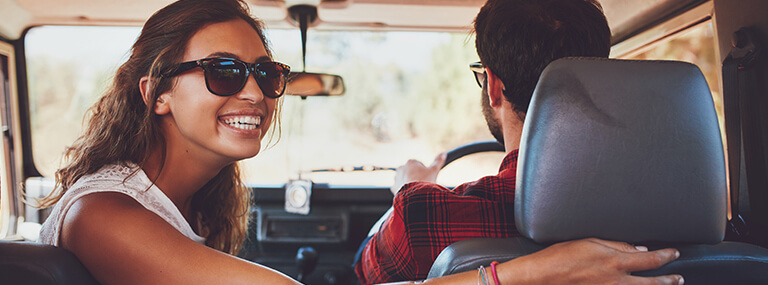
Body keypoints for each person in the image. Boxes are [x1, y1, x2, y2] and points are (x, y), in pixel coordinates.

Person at [34, 0, 683, 284]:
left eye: (267, 73)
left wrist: (412, 193)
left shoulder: (165, 209)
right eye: (226, 71)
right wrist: (521, 273)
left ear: (495, 88)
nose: (257, 93)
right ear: (157, 92)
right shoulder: (103, 214)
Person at [356, 0, 685, 284]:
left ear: (493, 86)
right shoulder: (680, 214)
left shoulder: (422, 215)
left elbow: (364, 274)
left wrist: (404, 190)